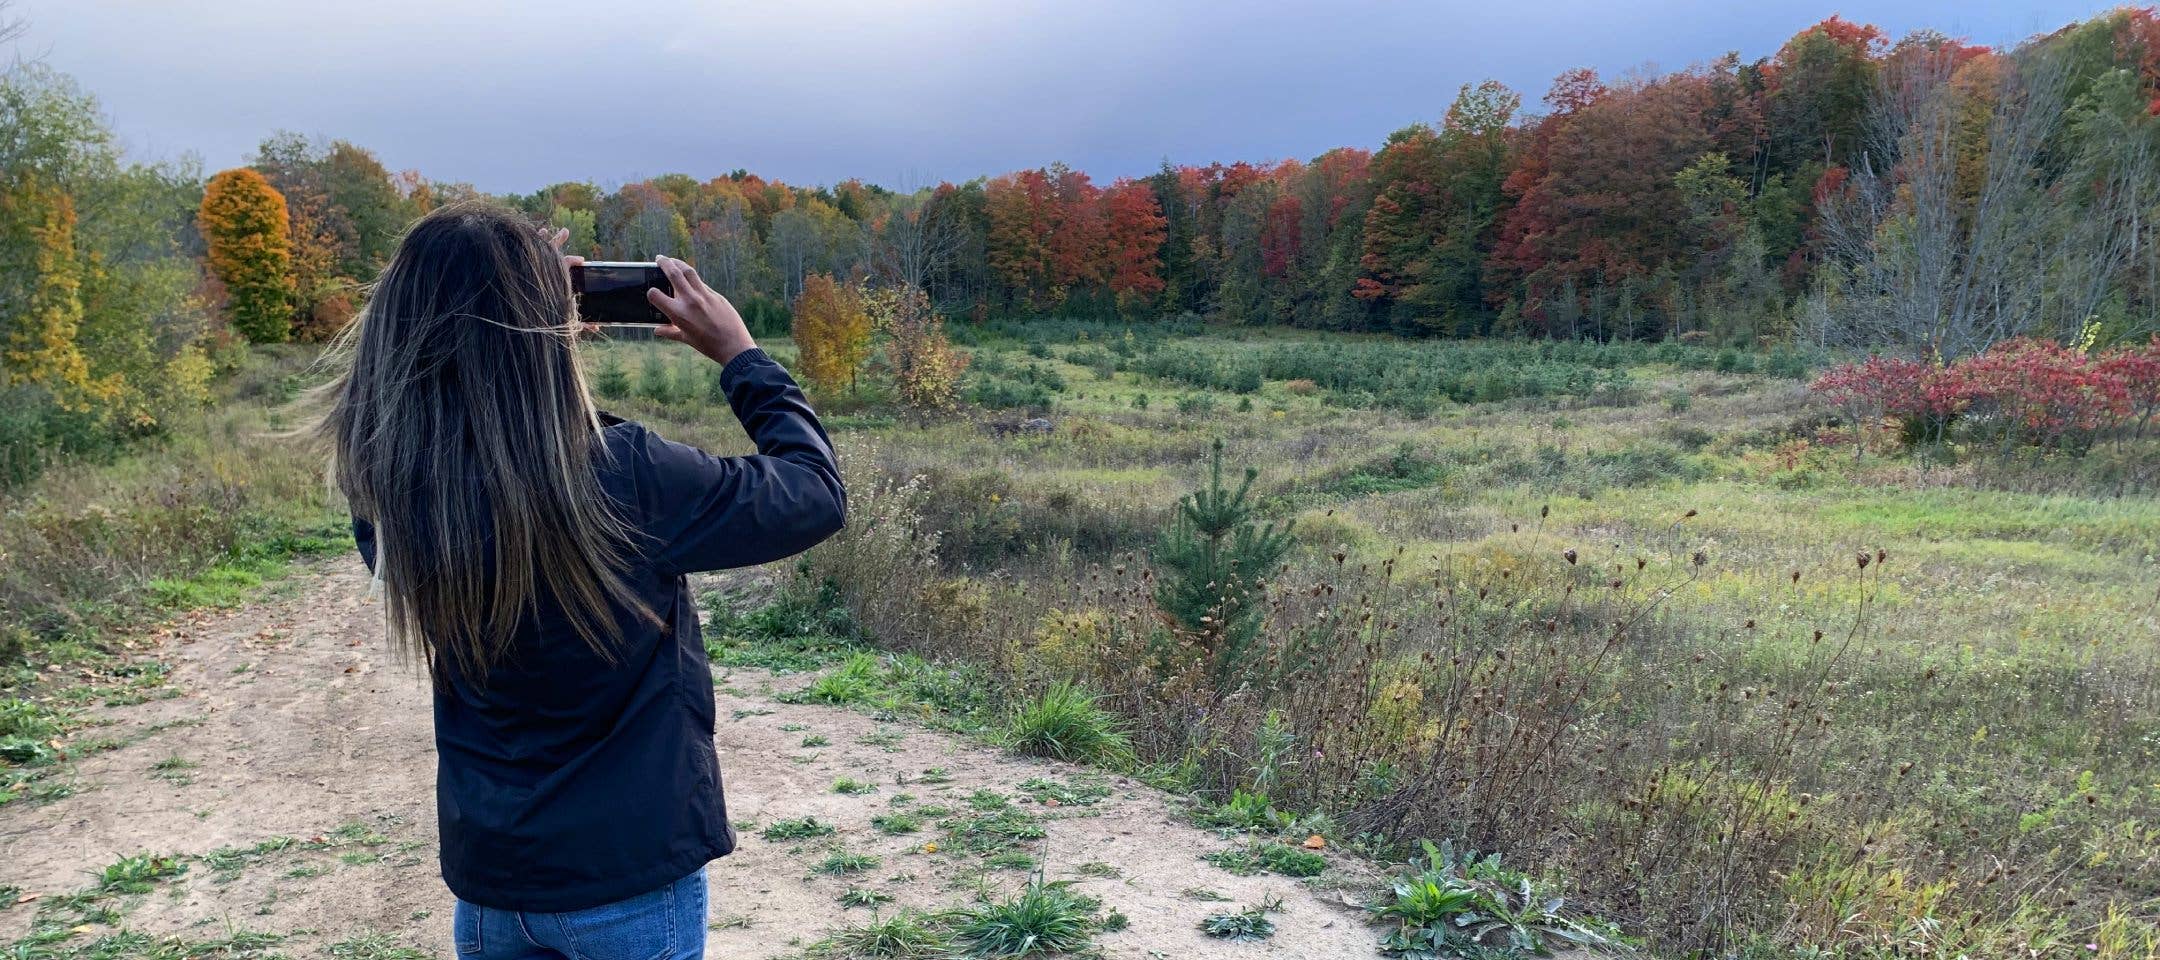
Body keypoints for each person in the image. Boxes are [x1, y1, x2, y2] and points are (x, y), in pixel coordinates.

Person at [316, 200, 845, 960]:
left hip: (494, 882)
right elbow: (815, 494)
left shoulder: (384, 483)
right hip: (627, 876)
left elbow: (459, 422)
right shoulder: (623, 474)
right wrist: (741, 355)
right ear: (543, 321)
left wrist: (531, 337)